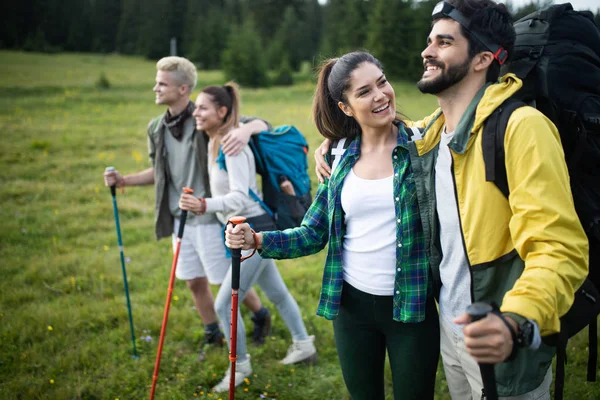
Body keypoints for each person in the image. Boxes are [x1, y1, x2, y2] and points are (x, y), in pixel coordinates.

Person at [314, 2, 590, 399]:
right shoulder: (431, 133)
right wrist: (338, 141)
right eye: (429, 40)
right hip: (451, 328)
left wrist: (517, 320)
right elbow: (383, 131)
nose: (427, 51)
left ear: (482, 58)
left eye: (444, 42)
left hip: (500, 331)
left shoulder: (521, 128)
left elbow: (560, 248)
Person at [226, 51, 439, 400]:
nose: (381, 95)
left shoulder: (423, 146)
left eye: (382, 83)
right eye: (364, 91)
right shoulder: (338, 157)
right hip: (351, 309)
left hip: (412, 310)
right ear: (345, 107)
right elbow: (313, 233)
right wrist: (256, 238)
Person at [102, 56, 272, 360]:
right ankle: (212, 334)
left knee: (222, 281)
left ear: (183, 89)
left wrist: (247, 130)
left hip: (208, 215)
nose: (154, 88)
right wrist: (123, 179)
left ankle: (260, 314)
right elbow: (160, 172)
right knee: (194, 281)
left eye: (161, 84)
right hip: (179, 218)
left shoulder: (205, 116)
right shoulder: (156, 128)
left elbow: (260, 124)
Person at [178, 82, 317, 393]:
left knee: (225, 301)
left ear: (222, 111)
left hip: (253, 228)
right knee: (277, 292)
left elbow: (240, 198)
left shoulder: (232, 145)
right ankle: (304, 344)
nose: (195, 112)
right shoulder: (216, 140)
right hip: (246, 228)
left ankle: (239, 366)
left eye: (202, 107)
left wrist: (204, 205)